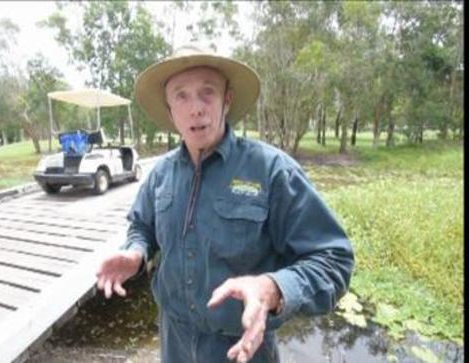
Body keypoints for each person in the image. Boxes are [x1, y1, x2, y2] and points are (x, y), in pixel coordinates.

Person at [96, 45, 354, 363]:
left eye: (207, 93)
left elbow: (334, 259)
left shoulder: (272, 170)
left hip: (242, 349)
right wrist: (135, 252)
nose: (196, 109)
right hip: (174, 343)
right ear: (169, 107)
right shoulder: (160, 173)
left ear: (226, 100)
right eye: (181, 96)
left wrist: (273, 287)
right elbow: (142, 227)